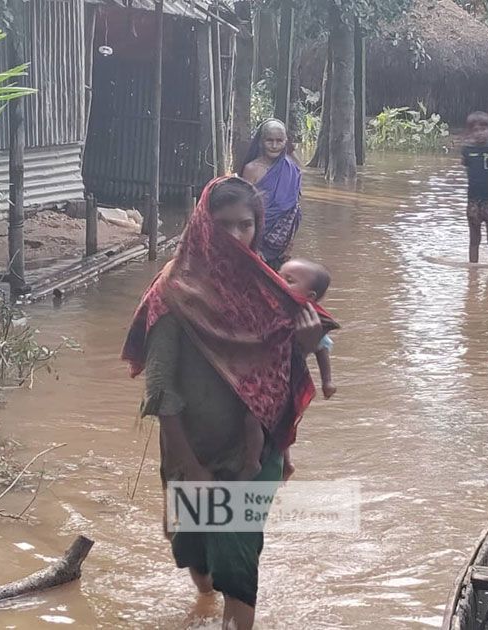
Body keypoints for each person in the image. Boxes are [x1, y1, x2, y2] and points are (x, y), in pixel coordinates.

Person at [122, 176, 335, 630]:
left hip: (251, 457)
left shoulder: (268, 290)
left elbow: (276, 375)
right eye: (225, 226)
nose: (237, 237)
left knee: (237, 560)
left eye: (247, 225)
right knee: (191, 550)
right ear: (203, 225)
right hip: (190, 449)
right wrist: (190, 465)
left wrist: (305, 344)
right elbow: (160, 389)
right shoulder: (173, 293)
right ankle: (202, 604)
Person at [237, 119, 303, 269]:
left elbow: (294, 210)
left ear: (286, 142)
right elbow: (245, 210)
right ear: (261, 142)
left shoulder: (291, 168)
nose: (274, 146)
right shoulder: (251, 169)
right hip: (255, 244)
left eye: (279, 141)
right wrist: (253, 247)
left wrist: (289, 245)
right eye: (269, 140)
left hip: (280, 247)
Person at [279, 258, 336, 400]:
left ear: (309, 296)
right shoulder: (268, 301)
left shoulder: (311, 320)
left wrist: (327, 381)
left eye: (289, 281)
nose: (278, 281)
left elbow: (321, 349)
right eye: (277, 275)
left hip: (285, 380)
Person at [460, 111, 488, 264]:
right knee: (474, 241)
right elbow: (469, 175)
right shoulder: (467, 151)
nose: (480, 133)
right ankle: (473, 274)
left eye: (483, 129)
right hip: (473, 200)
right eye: (475, 130)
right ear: (470, 133)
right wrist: (471, 202)